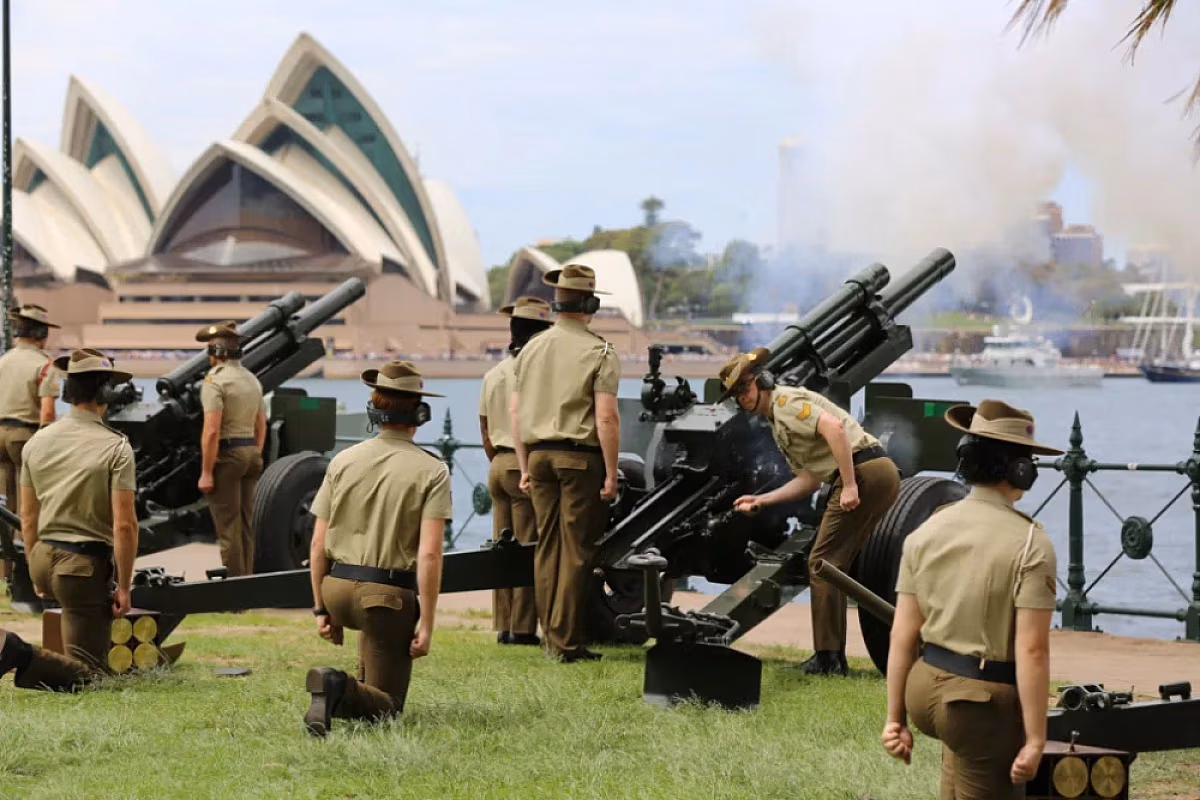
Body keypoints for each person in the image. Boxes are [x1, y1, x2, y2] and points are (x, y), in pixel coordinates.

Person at [881, 399, 1061, 799]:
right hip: (978, 703)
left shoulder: (928, 529)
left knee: (958, 774)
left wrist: (895, 719)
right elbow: (1031, 650)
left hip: (924, 691)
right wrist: (1035, 739)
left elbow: (903, 634)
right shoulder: (1032, 543)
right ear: (1021, 470)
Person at [720, 347, 900, 675]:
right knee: (830, 564)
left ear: (762, 381)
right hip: (868, 471)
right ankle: (831, 656)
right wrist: (763, 500)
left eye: (745, 388)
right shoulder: (778, 421)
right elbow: (809, 479)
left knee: (821, 563)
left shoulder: (785, 404)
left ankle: (829, 659)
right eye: (736, 393)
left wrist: (848, 485)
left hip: (865, 471)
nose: (742, 397)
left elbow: (834, 428)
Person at [303, 361, 451, 737]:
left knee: (374, 640)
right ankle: (335, 685)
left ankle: (342, 689)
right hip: (385, 599)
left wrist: (321, 607)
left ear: (373, 411)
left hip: (336, 590)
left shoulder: (342, 461)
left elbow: (318, 542)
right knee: (388, 708)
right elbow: (431, 555)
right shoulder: (432, 471)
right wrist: (428, 624)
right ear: (420, 414)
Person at [0, 348, 138, 692]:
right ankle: (15, 652)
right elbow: (124, 526)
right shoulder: (116, 448)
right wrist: (123, 585)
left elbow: (28, 518)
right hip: (81, 568)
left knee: (82, 657)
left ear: (67, 392)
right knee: (94, 678)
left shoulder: (37, 442)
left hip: (43, 556)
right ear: (105, 393)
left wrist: (34, 568)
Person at [511, 262, 620, 663]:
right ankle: (566, 643)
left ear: (557, 304)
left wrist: (524, 465)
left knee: (547, 549)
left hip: (537, 456)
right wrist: (610, 473)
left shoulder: (531, 348)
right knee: (576, 552)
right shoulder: (599, 350)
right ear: (590, 302)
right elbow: (606, 417)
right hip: (579, 459)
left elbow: (516, 414)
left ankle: (549, 636)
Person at [479, 296, 552, 646]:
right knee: (526, 547)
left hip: (497, 464)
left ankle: (503, 624)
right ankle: (523, 629)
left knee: (501, 548)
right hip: (523, 463)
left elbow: (483, 426)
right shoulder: (536, 372)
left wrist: (497, 456)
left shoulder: (493, 374)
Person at [195, 320, 266, 577]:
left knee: (228, 527)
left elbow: (212, 430)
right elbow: (261, 425)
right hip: (250, 454)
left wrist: (206, 472)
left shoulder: (215, 382)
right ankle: (248, 584)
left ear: (216, 353)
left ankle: (234, 593)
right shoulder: (252, 380)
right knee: (246, 525)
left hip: (228, 457)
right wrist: (255, 451)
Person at [0, 304, 61, 564]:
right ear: (40, 333)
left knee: (4, 506)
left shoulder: (3, 361)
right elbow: (47, 412)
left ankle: (5, 572)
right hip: (25, 436)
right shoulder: (45, 365)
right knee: (30, 507)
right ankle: (29, 569)